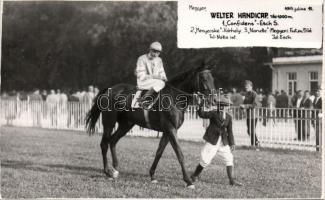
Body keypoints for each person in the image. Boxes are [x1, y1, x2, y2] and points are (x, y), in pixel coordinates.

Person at [191, 96, 242, 186]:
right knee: (205, 160)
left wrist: (232, 143)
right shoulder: (213, 113)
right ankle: (195, 175)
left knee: (229, 159)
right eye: (226, 106)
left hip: (223, 142)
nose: (227, 107)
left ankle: (232, 181)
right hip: (212, 140)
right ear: (221, 106)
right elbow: (202, 114)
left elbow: (230, 131)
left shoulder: (229, 117)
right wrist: (200, 105)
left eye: (227, 106)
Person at [135, 41, 167, 108]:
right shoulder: (141, 58)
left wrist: (164, 78)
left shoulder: (159, 60)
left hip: (155, 82)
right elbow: (141, 76)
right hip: (143, 82)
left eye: (158, 53)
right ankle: (143, 99)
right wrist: (156, 77)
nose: (155, 54)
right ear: (150, 50)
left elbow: (162, 71)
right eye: (154, 51)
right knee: (161, 83)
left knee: (164, 84)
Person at [240, 80, 260, 147]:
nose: (246, 87)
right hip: (248, 115)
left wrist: (245, 106)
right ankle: (254, 143)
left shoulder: (254, 94)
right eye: (245, 86)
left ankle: (255, 144)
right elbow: (244, 103)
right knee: (249, 131)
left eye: (248, 86)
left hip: (254, 115)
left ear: (251, 86)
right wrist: (242, 106)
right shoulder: (246, 94)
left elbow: (255, 104)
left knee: (251, 130)